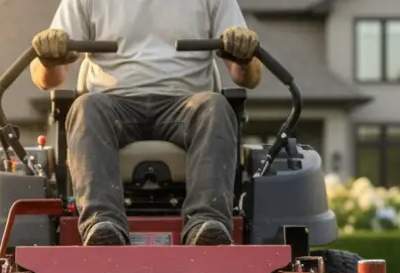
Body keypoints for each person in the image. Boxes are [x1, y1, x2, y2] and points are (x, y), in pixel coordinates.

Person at [30, 0, 262, 247]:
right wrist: (48, 58)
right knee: (86, 107)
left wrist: (245, 55)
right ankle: (102, 224)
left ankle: (207, 224)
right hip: (113, 105)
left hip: (186, 105)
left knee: (216, 107)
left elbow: (248, 77)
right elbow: (46, 79)